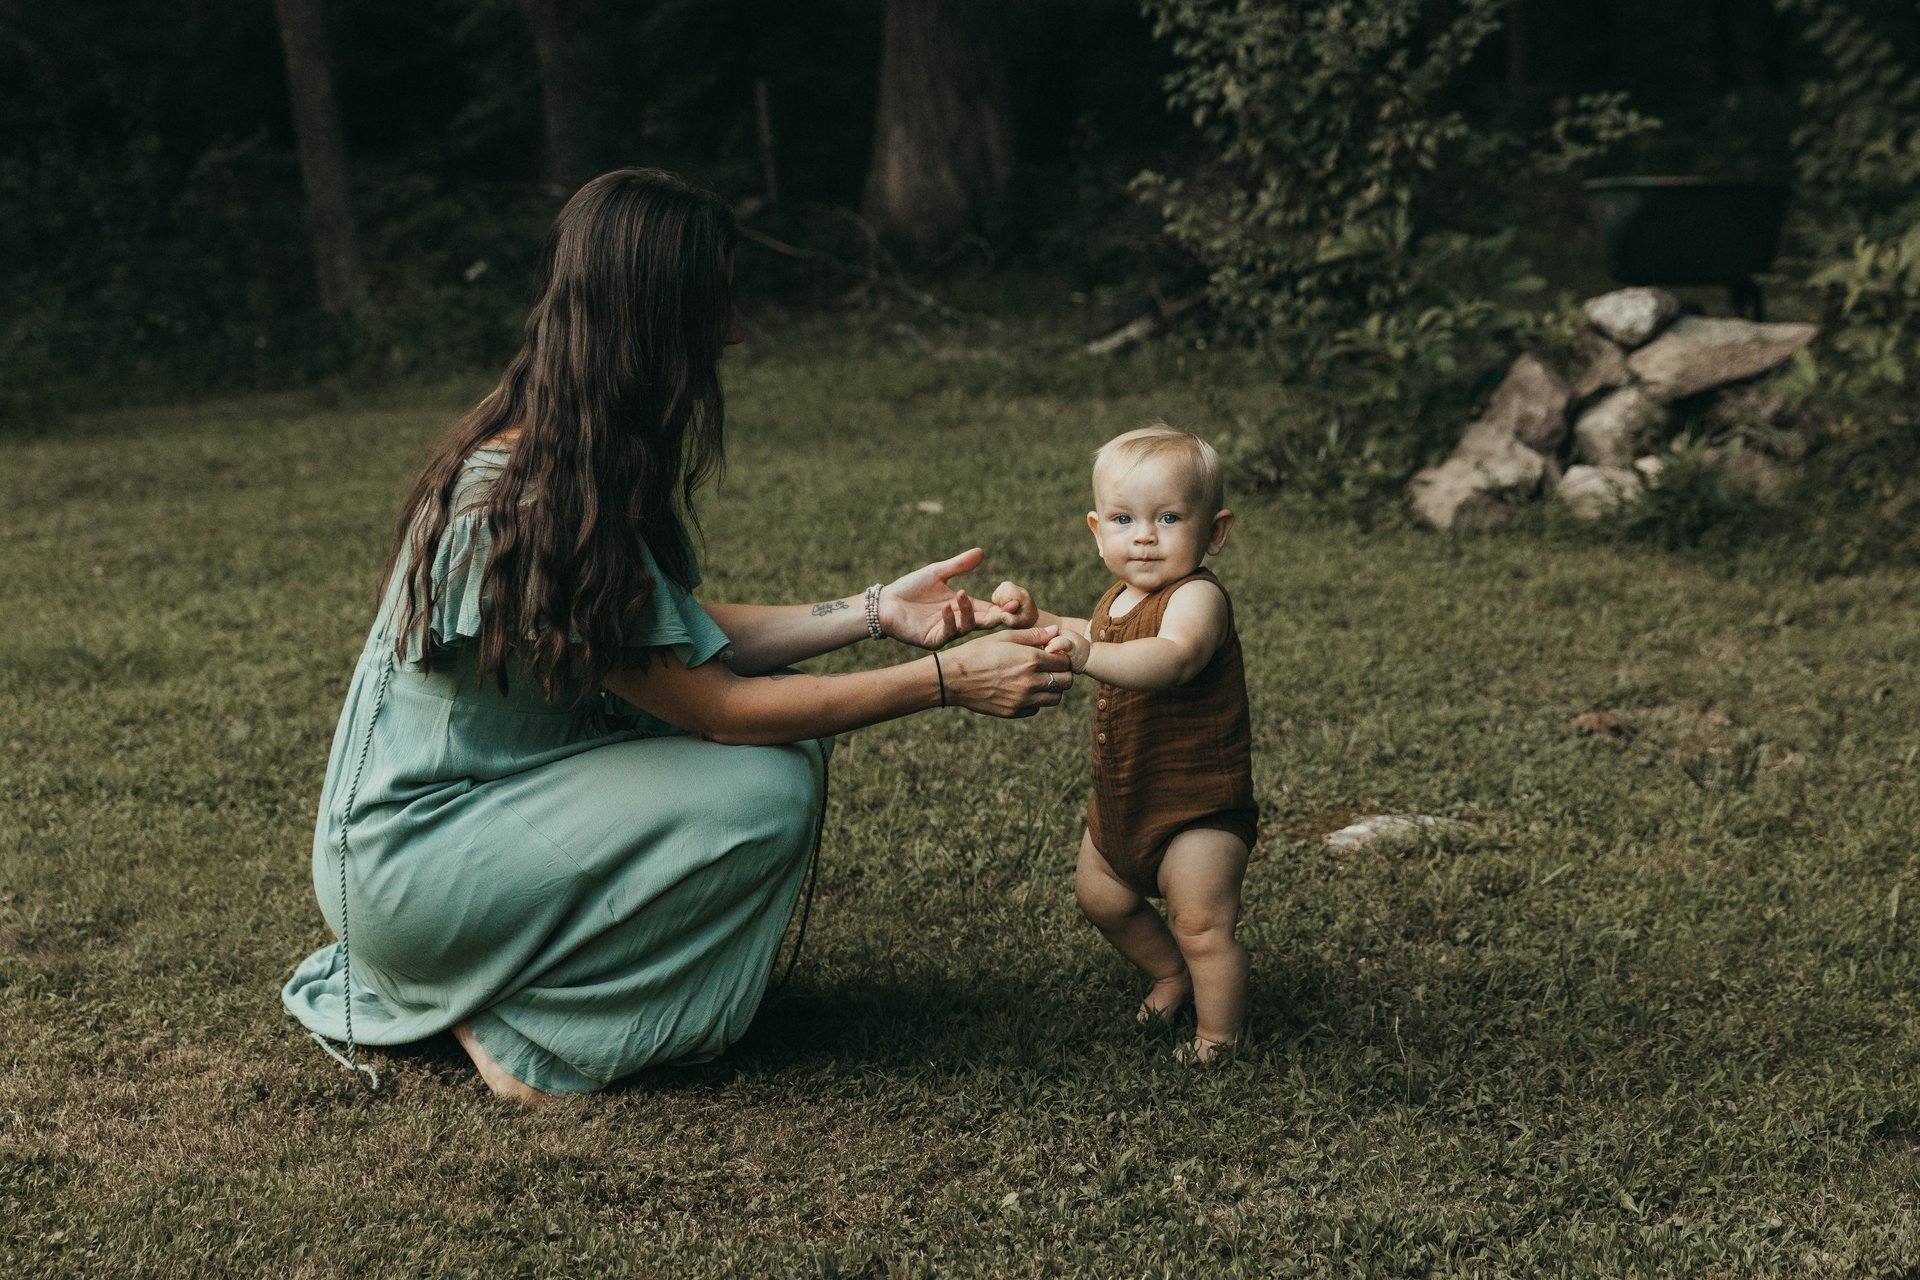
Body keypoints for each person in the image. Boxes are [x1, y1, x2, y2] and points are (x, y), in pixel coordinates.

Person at [281, 168, 1072, 1101]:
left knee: (783, 751)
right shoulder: (528, 499)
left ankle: (490, 985)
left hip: (437, 845)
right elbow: (721, 708)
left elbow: (671, 637)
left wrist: (874, 613)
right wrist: (945, 683)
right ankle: (528, 1032)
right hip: (411, 872)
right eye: (716, 304)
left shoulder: (567, 449)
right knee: (764, 781)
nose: (733, 331)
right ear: (656, 320)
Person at [999, 424, 1257, 1063]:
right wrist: (1037, 622)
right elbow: (1090, 631)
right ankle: (1171, 976)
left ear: (1214, 533)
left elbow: (1171, 657)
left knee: (1202, 927)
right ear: (1097, 530)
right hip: (1125, 792)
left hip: (1197, 804)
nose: (1144, 535)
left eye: (1169, 517)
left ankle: (1217, 1038)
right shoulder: (1119, 599)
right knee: (1103, 897)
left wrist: (1088, 657)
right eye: (1123, 518)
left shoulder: (1197, 598)